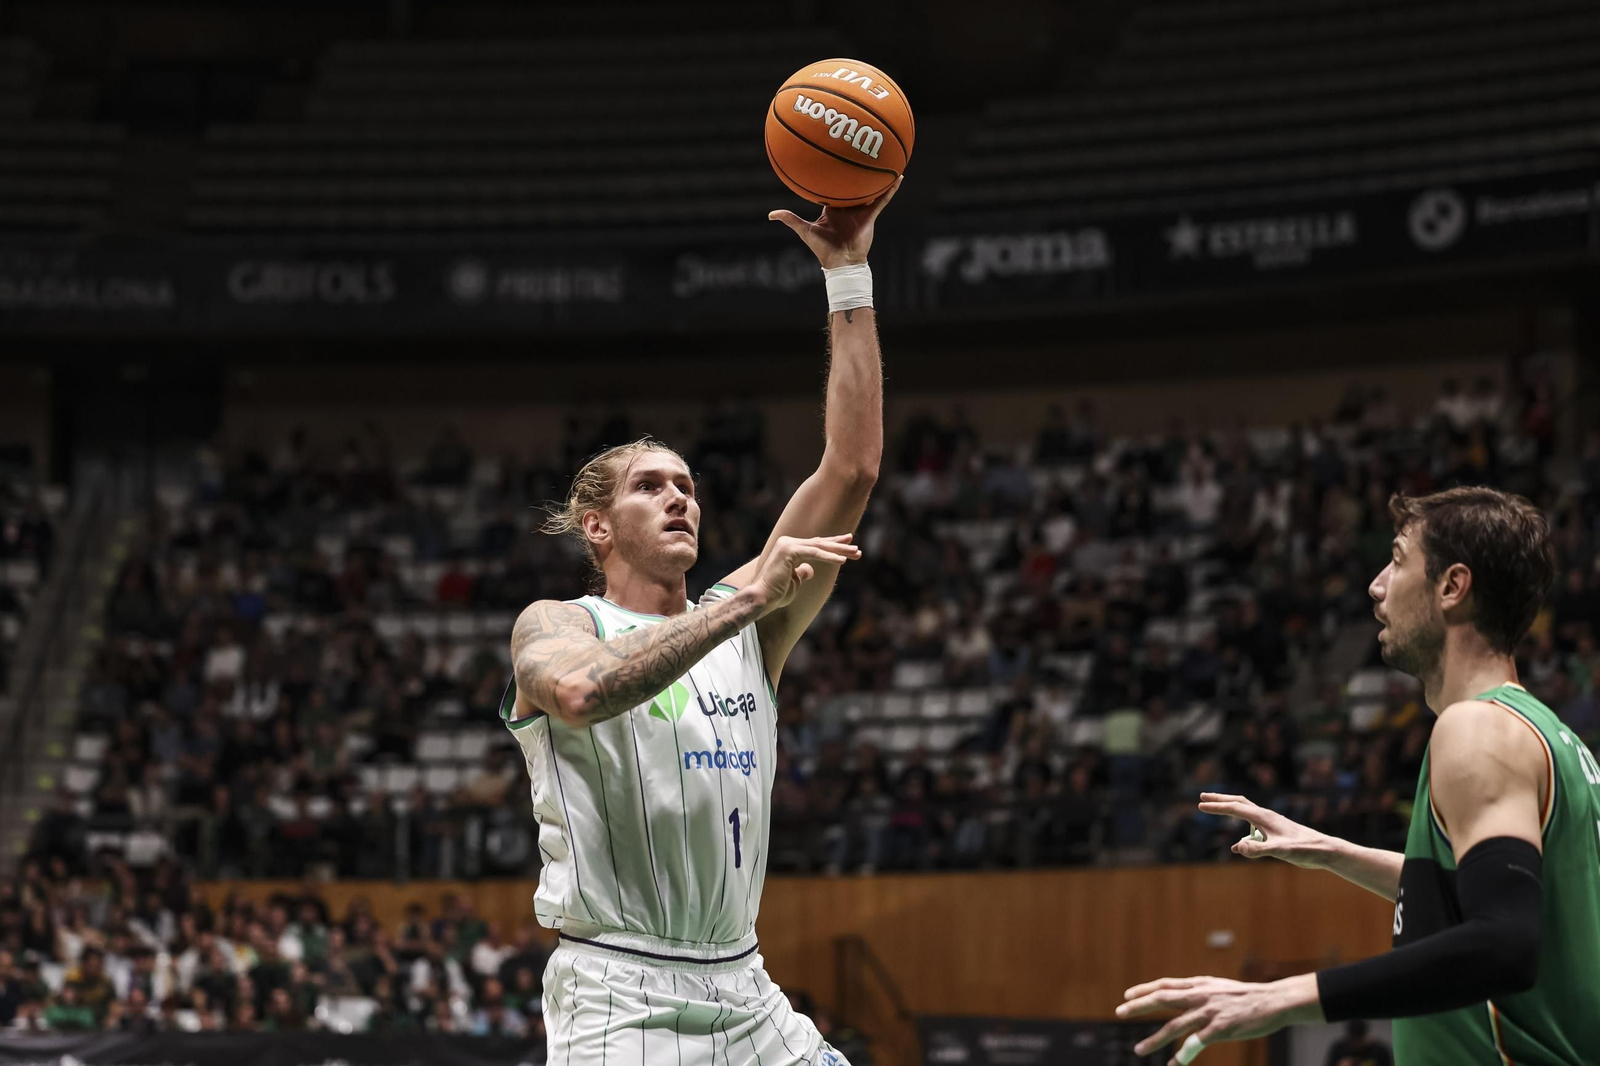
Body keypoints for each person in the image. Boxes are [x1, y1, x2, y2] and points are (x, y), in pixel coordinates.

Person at [503, 180, 899, 1065]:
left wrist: (849, 273)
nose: (679, 496)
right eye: (652, 486)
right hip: (620, 994)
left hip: (749, 990)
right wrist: (750, 601)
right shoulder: (558, 622)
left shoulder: (744, 620)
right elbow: (576, 693)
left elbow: (854, 465)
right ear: (597, 525)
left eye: (687, 485)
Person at [1119, 486, 1599, 1065]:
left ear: (1452, 587)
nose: (1376, 586)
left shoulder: (1477, 730)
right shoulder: (1551, 738)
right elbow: (1472, 897)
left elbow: (1504, 942)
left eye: (1397, 560)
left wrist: (1283, 997)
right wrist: (1327, 850)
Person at [1325, 1020, 1392, 1066]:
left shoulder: (1379, 1051)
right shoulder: (1339, 1049)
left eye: (1359, 1040)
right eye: (1353, 1041)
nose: (1356, 1044)